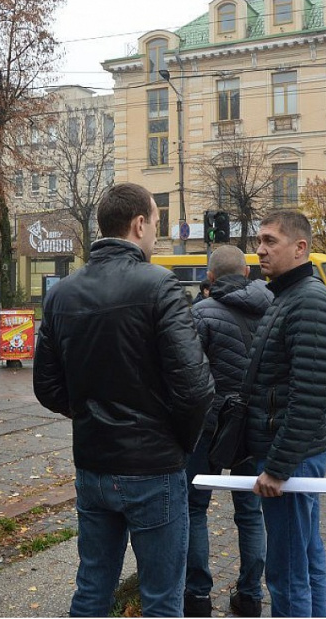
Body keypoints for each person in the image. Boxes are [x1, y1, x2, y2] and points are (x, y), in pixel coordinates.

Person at [33, 182, 215, 617]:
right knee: (161, 598)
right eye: (156, 222)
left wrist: (87, 415)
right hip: (153, 467)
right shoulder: (160, 286)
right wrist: (179, 444)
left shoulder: (62, 293)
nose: (156, 231)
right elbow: (195, 388)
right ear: (138, 224)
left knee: (93, 589)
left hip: (94, 467)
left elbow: (47, 386)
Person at [245, 210, 326, 617]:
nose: (260, 251)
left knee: (286, 571)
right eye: (259, 242)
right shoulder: (287, 295)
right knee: (304, 556)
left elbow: (309, 396)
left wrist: (279, 467)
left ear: (301, 248)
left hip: (290, 458)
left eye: (270, 242)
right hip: (292, 453)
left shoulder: (309, 302)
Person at [184, 245, 272, 617]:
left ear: (210, 277)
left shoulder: (200, 314)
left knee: (194, 509)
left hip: (210, 425)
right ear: (248, 274)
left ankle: (198, 596)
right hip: (253, 427)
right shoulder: (273, 306)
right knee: (251, 513)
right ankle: (250, 596)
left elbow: (189, 376)